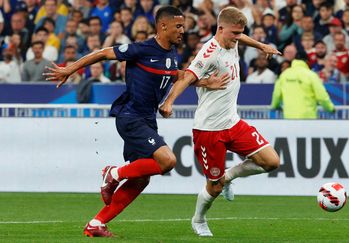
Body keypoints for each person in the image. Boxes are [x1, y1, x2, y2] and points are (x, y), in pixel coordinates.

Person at [44, 6, 227, 238]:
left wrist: (204, 82)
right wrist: (69, 69)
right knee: (168, 161)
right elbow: (102, 53)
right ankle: (113, 173)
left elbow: (175, 75)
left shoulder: (171, 54)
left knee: (141, 179)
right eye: (178, 26)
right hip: (130, 116)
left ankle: (96, 224)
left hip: (147, 120)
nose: (183, 30)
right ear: (163, 26)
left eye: (183, 26)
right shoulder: (140, 49)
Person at [159, 6, 281, 237]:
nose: (237, 38)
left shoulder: (232, 39)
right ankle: (199, 219)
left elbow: (240, 35)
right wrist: (169, 102)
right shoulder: (208, 53)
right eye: (234, 33)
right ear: (220, 28)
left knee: (271, 161)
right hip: (209, 130)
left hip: (233, 123)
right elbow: (186, 78)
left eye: (240, 33)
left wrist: (261, 45)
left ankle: (229, 177)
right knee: (213, 187)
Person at [271, 50, 335, 119]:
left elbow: (276, 94)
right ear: (307, 62)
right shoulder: (311, 75)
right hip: (308, 118)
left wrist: (275, 106)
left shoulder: (284, 75)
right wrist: (330, 108)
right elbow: (321, 96)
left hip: (289, 118)